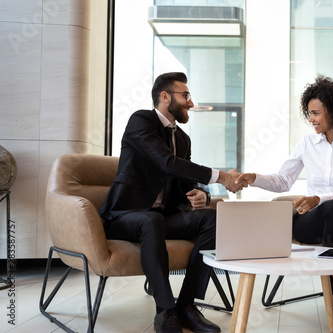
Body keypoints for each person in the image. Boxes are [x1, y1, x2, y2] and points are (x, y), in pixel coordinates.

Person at [236, 76, 333, 333]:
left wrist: (320, 197)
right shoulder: (307, 143)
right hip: (311, 221)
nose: (311, 119)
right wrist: (255, 178)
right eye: (309, 113)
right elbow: (284, 180)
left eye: (316, 113)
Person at [99, 72, 241, 333]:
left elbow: (184, 182)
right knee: (151, 219)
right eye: (185, 95)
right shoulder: (141, 121)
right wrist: (221, 177)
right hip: (124, 216)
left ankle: (186, 306)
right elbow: (166, 162)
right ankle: (165, 312)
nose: (190, 102)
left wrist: (203, 194)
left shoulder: (183, 139)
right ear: (165, 96)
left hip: (162, 217)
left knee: (213, 218)